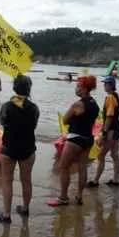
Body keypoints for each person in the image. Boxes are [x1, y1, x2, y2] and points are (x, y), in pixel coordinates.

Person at [0, 75, 40, 223]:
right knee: (26, 180)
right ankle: (25, 208)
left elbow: (2, 122)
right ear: (29, 89)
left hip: (9, 147)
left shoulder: (7, 106)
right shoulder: (34, 108)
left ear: (14, 88)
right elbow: (34, 125)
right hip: (28, 148)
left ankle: (6, 215)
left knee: (7, 181)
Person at [50, 75, 100, 207]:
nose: (76, 89)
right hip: (88, 139)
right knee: (83, 168)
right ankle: (79, 196)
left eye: (78, 86)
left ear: (84, 89)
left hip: (75, 139)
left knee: (63, 167)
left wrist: (73, 117)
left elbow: (65, 120)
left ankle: (63, 198)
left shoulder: (78, 104)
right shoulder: (94, 104)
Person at [89, 76, 119, 188]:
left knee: (100, 155)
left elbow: (109, 116)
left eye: (106, 84)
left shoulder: (110, 97)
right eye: (104, 83)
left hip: (111, 129)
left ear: (111, 85)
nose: (104, 85)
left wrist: (104, 133)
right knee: (114, 154)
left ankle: (95, 181)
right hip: (117, 129)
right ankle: (116, 180)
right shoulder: (116, 95)